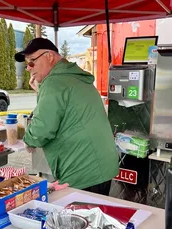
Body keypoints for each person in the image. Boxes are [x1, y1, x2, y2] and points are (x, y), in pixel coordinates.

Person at [15, 38, 119, 196]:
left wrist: (26, 140)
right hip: (101, 166)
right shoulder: (74, 77)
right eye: (26, 64)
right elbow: (65, 107)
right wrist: (41, 91)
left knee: (78, 218)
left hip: (82, 171)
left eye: (32, 62)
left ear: (49, 56)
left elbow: (41, 131)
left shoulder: (54, 84)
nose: (29, 68)